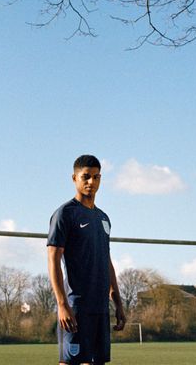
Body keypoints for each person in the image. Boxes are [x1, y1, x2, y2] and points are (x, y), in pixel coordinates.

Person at [47, 155, 126, 365]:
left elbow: (106, 260)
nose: (91, 182)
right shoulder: (65, 214)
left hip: (100, 306)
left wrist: (117, 301)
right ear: (74, 178)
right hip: (76, 306)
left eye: (96, 177)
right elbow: (53, 259)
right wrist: (63, 304)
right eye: (86, 177)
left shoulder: (103, 218)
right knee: (71, 362)